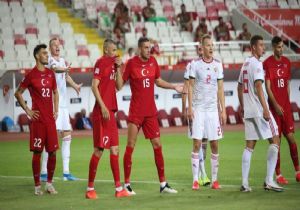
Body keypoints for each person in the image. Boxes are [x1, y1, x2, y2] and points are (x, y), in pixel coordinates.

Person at [116, 37, 182, 195]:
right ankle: (127, 184)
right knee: (130, 145)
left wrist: (174, 86)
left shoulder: (153, 62)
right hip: (136, 112)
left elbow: (158, 81)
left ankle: (163, 184)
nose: (149, 50)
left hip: (151, 112)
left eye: (150, 47)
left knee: (158, 145)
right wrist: (118, 69)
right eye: (146, 47)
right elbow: (119, 86)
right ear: (139, 49)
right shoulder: (131, 63)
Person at [237, 35, 283, 192]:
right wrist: (265, 108)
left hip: (249, 111)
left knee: (249, 146)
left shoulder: (245, 64)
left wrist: (243, 107)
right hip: (259, 109)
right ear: (254, 47)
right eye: (261, 45)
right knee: (275, 140)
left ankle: (244, 183)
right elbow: (258, 86)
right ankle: (269, 180)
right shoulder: (257, 64)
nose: (264, 47)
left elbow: (238, 86)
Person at [85, 39, 130, 199]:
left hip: (111, 112)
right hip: (101, 112)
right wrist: (103, 106)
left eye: (116, 50)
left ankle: (119, 189)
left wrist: (118, 69)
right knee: (99, 150)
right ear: (105, 50)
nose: (115, 53)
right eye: (113, 50)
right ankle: (90, 189)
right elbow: (93, 86)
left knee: (115, 149)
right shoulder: (100, 63)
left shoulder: (112, 65)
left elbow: (119, 86)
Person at [14, 44, 59, 195]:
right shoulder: (31, 75)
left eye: (47, 53)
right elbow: (18, 93)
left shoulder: (50, 74)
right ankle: (37, 186)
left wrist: (56, 109)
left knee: (53, 153)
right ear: (37, 56)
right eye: (44, 53)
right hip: (38, 121)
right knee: (37, 153)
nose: (47, 55)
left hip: (50, 121)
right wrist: (28, 110)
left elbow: (55, 92)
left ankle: (50, 184)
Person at [187, 35, 226, 190]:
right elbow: (190, 86)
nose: (211, 48)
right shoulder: (195, 65)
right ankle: (196, 180)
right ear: (201, 48)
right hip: (199, 109)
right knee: (197, 143)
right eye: (208, 45)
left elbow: (221, 88)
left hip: (212, 111)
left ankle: (215, 180)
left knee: (214, 144)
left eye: (212, 45)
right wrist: (189, 107)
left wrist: (222, 109)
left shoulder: (218, 65)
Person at [40, 37, 82, 182]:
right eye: (54, 45)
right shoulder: (50, 60)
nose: (57, 47)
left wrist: (75, 85)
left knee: (67, 136)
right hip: (53, 104)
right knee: (51, 138)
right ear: (50, 48)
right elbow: (56, 70)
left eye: (59, 45)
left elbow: (65, 76)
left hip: (63, 105)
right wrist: (64, 69)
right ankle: (44, 172)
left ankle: (66, 172)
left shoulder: (63, 60)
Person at [263, 36, 300, 184]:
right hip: (274, 109)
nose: (281, 49)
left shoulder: (287, 62)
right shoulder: (267, 63)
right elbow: (268, 87)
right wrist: (276, 105)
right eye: (279, 47)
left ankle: (298, 171)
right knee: (276, 143)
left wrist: (286, 103)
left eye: (282, 47)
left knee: (291, 138)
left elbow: (287, 85)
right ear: (273, 47)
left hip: (285, 108)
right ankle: (278, 174)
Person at [182, 44, 210, 187]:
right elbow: (186, 87)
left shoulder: (211, 65)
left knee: (204, 142)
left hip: (207, 110)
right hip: (195, 109)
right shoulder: (192, 66)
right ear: (198, 50)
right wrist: (184, 108)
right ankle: (201, 174)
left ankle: (201, 173)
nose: (201, 51)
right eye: (199, 49)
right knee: (197, 142)